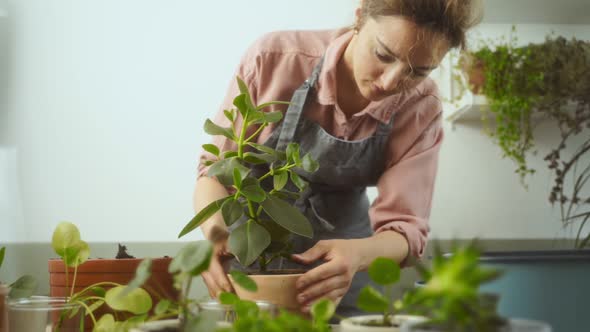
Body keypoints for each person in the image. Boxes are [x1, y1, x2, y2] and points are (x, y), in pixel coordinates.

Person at [195, 0, 482, 317]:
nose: (389, 83)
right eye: (383, 55)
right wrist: (215, 234)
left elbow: (406, 230)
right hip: (248, 266)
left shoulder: (420, 105)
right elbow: (214, 174)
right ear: (360, 18)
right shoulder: (274, 59)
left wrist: (359, 254)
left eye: (418, 71)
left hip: (340, 278)